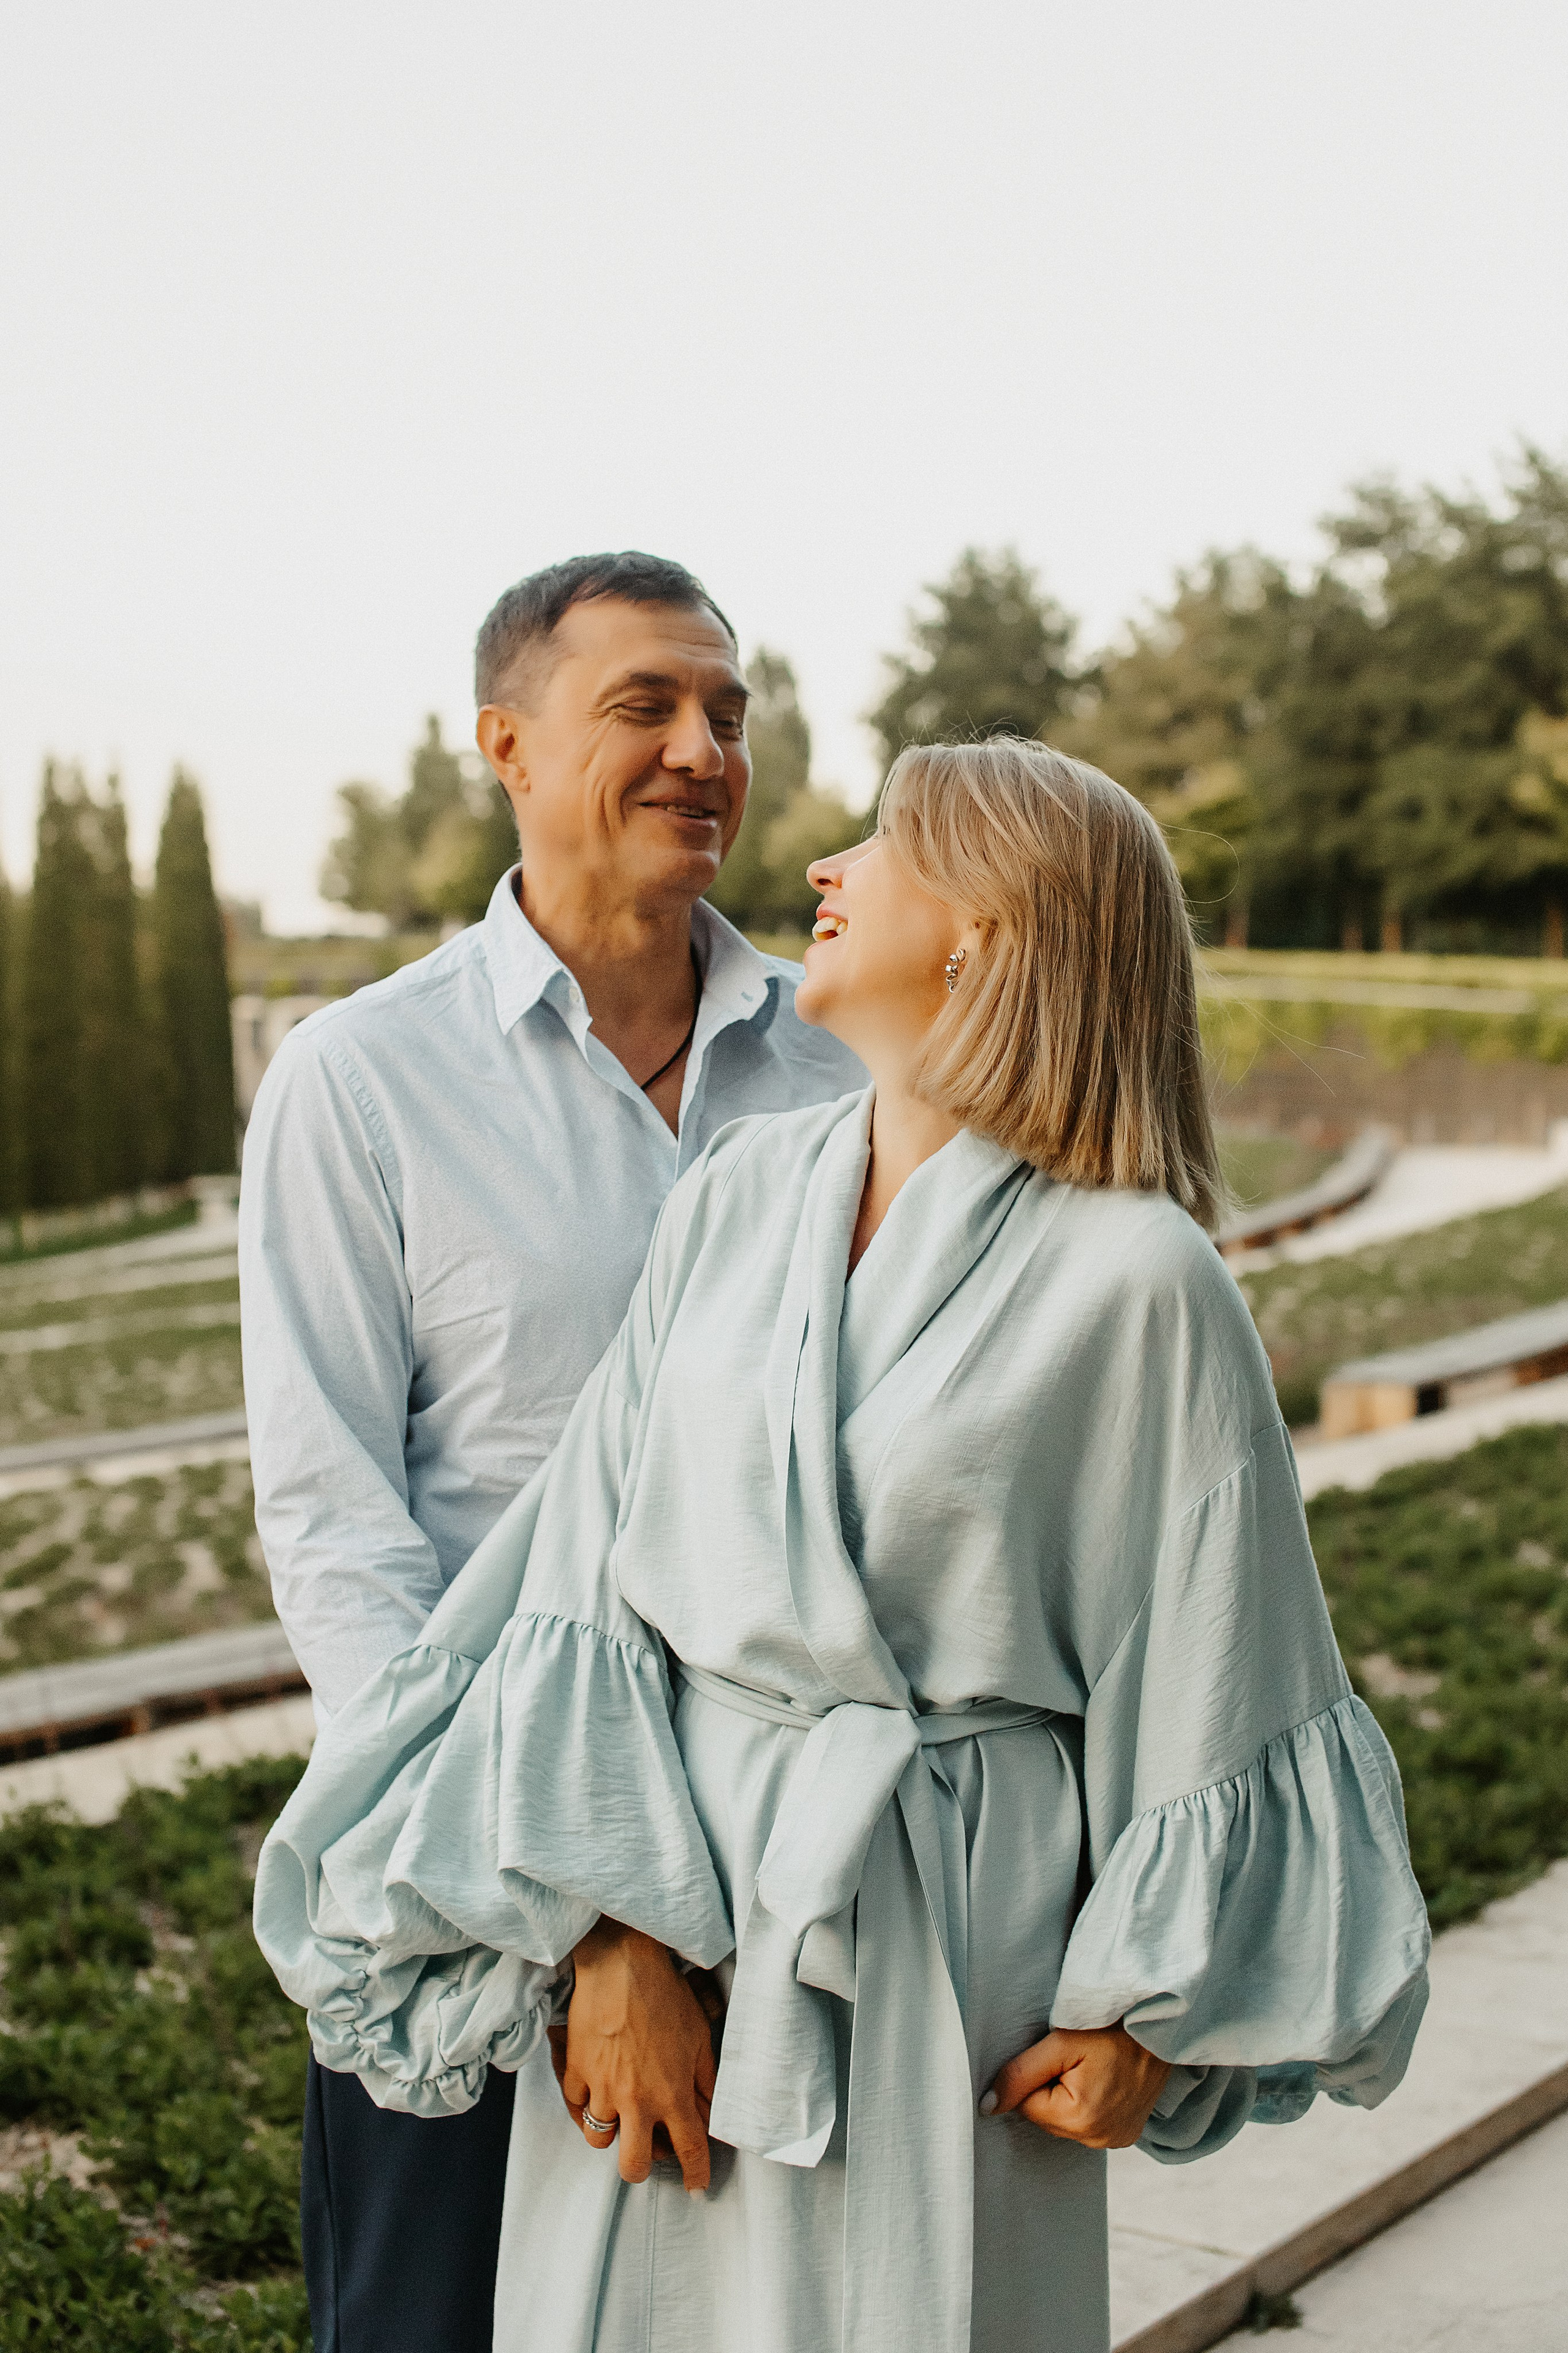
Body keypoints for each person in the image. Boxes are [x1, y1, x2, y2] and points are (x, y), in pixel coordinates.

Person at [256, 739, 1430, 2353]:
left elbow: (1223, 1655)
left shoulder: (1144, 1281)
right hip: (670, 1957)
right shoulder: (737, 1198)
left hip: (949, 1979)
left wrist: (1153, 2013)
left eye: (882, 843)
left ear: (986, 932)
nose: (824, 871)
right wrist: (608, 1937)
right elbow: (580, 1587)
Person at [238, 551, 865, 2352]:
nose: (703, 750)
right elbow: (343, 1538)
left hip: (783, 1875)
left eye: (728, 714)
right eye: (647, 705)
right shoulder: (360, 1080)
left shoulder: (841, 1078)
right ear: (508, 743)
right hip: (467, 1883)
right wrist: (587, 1923)